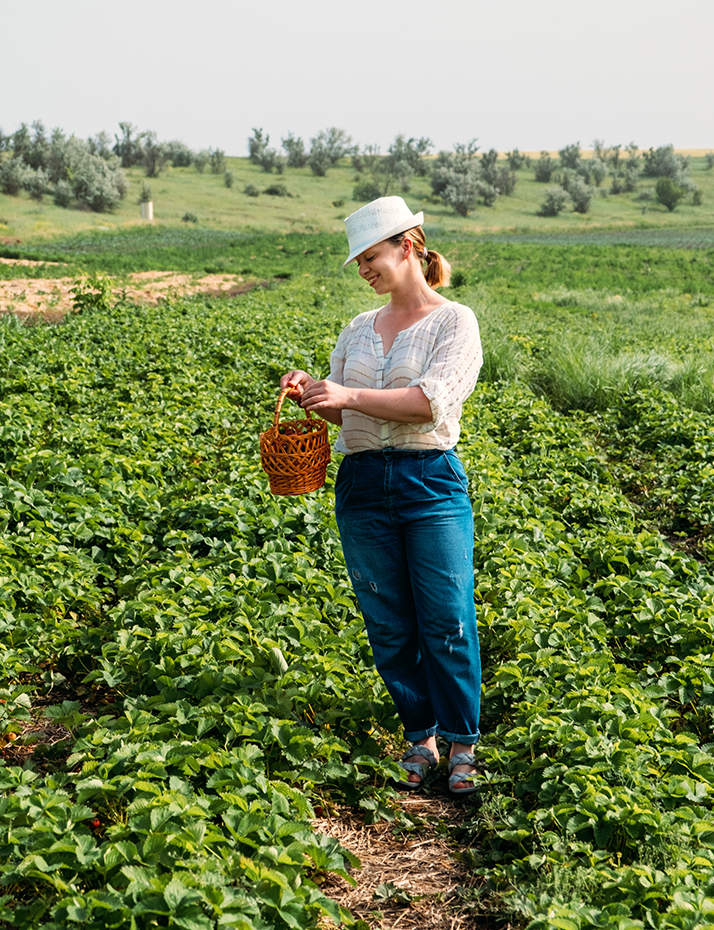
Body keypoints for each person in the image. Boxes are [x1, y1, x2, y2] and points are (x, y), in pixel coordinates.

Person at [280, 196, 483, 795]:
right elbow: (344, 417)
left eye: (371, 257)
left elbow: (428, 404)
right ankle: (419, 736)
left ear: (409, 245)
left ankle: (462, 743)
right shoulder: (357, 329)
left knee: (446, 615)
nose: (365, 269)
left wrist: (346, 396)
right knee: (389, 621)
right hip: (363, 484)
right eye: (359, 262)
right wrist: (312, 393)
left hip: (430, 482)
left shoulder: (454, 322)